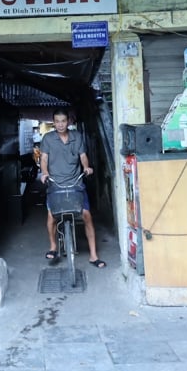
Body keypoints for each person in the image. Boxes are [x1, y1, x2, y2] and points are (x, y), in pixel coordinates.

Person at [39, 108, 105, 268]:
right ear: (53, 123)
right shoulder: (48, 138)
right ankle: (54, 246)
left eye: (63, 121)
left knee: (87, 216)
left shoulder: (77, 136)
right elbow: (44, 158)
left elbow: (83, 156)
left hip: (76, 183)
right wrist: (45, 173)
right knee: (51, 216)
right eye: (57, 121)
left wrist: (86, 167)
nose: (60, 124)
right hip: (56, 183)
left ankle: (93, 255)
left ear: (68, 121)